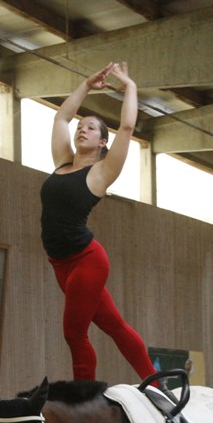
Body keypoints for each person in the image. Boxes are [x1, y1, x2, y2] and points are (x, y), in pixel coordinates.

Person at [39, 62, 155, 382]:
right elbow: (61, 118)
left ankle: (84, 397)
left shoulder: (102, 172)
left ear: (103, 142)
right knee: (114, 326)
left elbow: (127, 127)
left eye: (91, 128)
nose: (82, 129)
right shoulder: (62, 162)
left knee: (74, 333)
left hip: (86, 261)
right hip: (60, 264)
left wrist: (130, 87)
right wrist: (86, 85)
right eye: (81, 126)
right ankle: (157, 385)